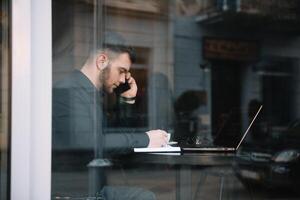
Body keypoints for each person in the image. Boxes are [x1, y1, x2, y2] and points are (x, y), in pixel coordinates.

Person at [52, 45, 168, 200]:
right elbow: (85, 141)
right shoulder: (68, 91)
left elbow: (111, 135)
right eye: (121, 71)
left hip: (92, 188)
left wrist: (127, 100)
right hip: (74, 192)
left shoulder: (91, 94)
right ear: (101, 61)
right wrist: (146, 140)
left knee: (144, 196)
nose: (122, 80)